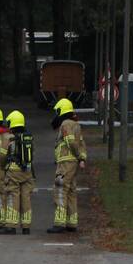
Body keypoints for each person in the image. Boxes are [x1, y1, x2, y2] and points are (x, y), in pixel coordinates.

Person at [49, 98, 87, 234]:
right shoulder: (76, 124)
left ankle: (59, 223)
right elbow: (81, 143)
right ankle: (72, 223)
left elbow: (71, 142)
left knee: (60, 189)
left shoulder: (65, 124)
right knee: (71, 191)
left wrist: (77, 155)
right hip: (73, 164)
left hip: (65, 163)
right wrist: (81, 158)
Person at [0, 110, 34, 235]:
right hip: (27, 171)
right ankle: (26, 226)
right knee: (26, 197)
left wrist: (3, 167)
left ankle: (11, 226)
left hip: (13, 171)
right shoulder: (27, 137)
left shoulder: (8, 138)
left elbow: (2, 156)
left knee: (12, 195)